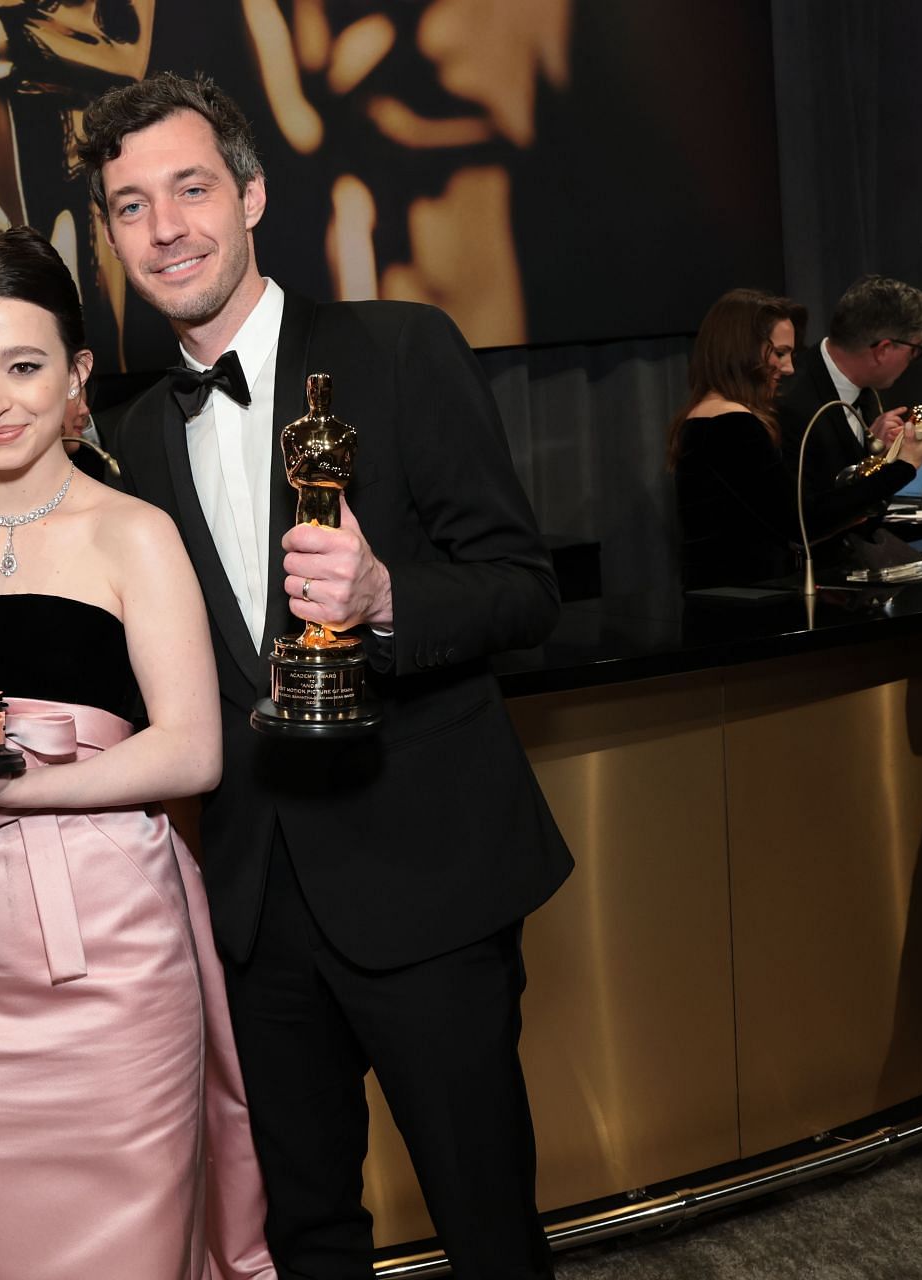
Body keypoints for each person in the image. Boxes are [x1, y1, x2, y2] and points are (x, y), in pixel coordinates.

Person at [78, 73, 570, 1279]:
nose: (167, 227)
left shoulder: (402, 348)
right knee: (305, 1233)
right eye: (132, 205)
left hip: (425, 880)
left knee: (487, 1221)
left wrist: (387, 595)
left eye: (191, 189)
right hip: (253, 899)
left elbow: (522, 585)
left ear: (250, 194)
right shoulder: (139, 437)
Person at [0, 226, 274, 1280]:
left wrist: (30, 787)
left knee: (136, 1235)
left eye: (24, 366)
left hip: (112, 940)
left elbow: (194, 752)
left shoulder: (134, 532)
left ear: (76, 373)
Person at [671, 290, 922, 589]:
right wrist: (903, 466)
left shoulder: (711, 418)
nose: (789, 368)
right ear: (743, 350)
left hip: (734, 601)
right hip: (740, 611)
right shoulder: (730, 424)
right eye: (780, 353)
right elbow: (802, 521)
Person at [777, 274, 922, 516]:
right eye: (914, 351)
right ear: (883, 349)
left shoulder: (866, 390)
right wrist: (904, 466)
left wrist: (873, 457)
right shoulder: (791, 399)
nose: (912, 361)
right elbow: (808, 515)